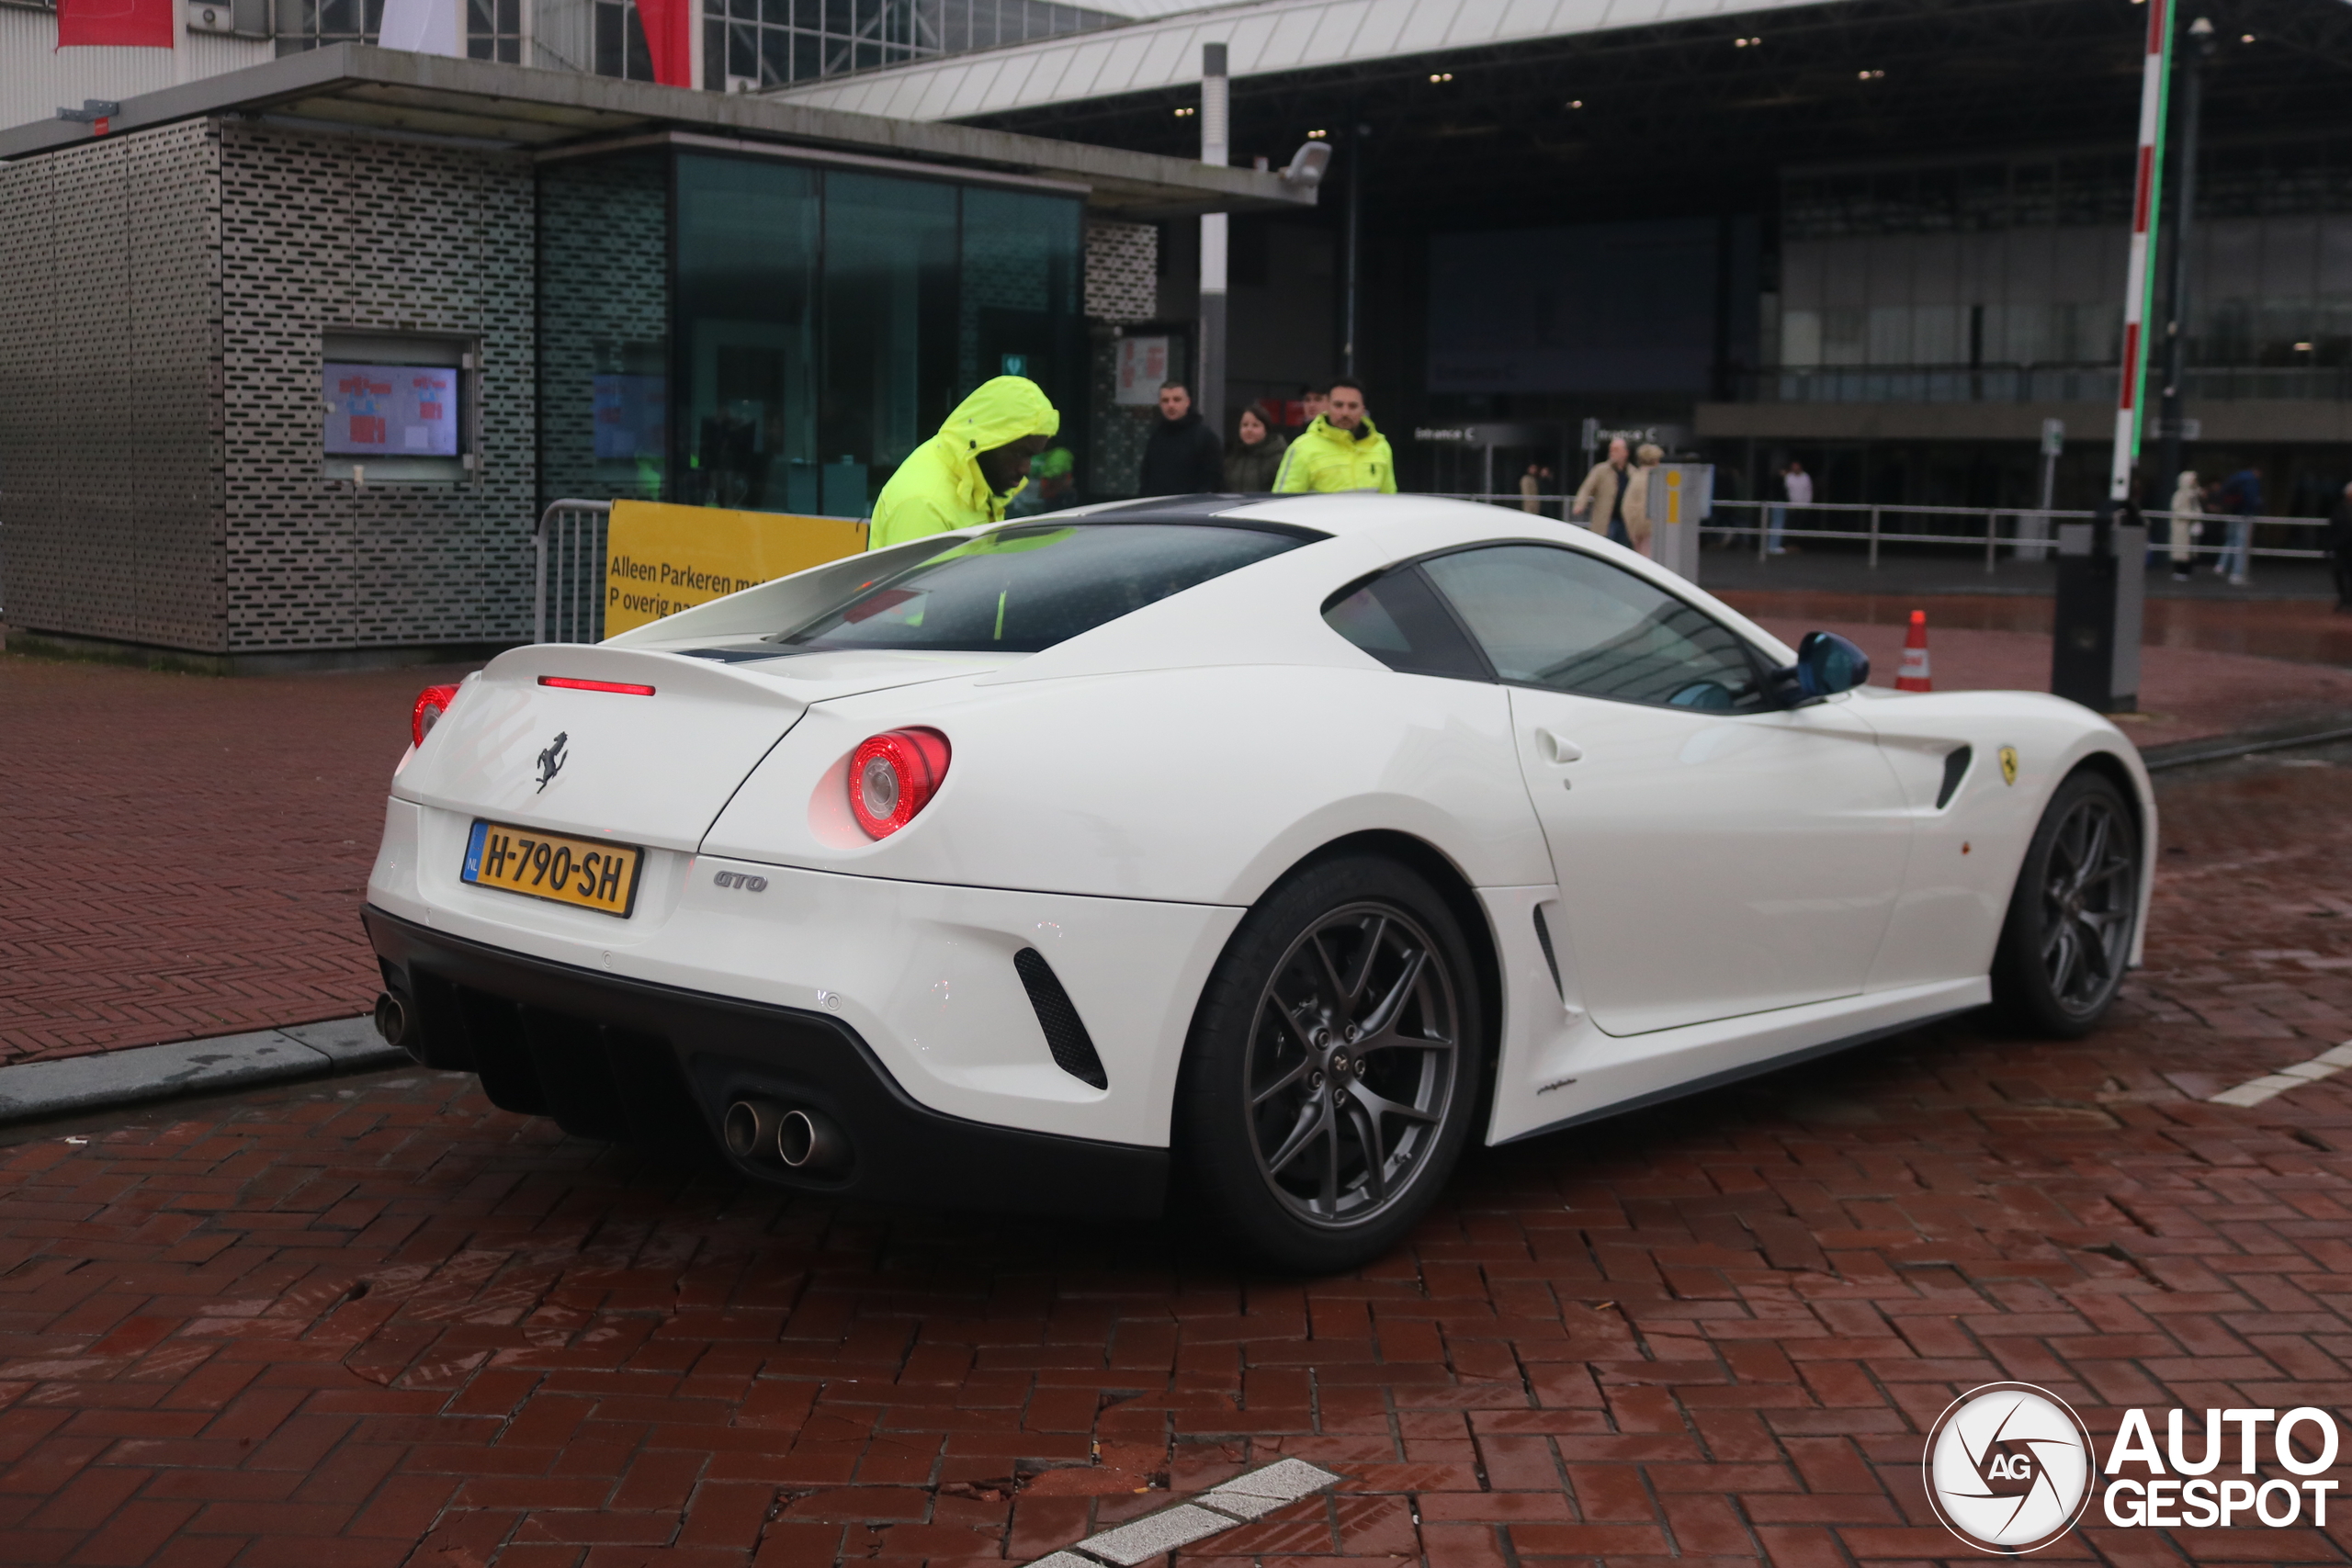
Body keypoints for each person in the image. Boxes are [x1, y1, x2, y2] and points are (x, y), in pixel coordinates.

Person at [867, 376, 1058, 550]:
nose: (1025, 469)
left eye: (1032, 456)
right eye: (1018, 453)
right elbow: (923, 588)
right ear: (985, 439)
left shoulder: (975, 484)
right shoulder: (925, 503)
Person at [1273, 378, 1397, 493]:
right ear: (1327, 407)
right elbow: (1282, 502)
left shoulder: (1380, 446)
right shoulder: (1302, 448)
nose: (1345, 412)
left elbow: (1390, 500)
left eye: (1353, 406)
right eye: (1338, 405)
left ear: (1363, 409)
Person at [1138, 380, 1223, 495]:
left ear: (1187, 402)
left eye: (1177, 400)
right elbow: (1146, 477)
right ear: (1160, 404)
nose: (1171, 405)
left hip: (1187, 510)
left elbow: (1212, 480)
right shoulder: (1156, 436)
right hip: (1156, 508)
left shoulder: (1204, 437)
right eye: (1165, 400)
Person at [1570, 437, 1635, 546]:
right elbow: (1587, 488)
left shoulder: (1632, 473)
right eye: (1611, 450)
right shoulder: (1601, 470)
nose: (1612, 453)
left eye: (1616, 450)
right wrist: (1580, 504)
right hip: (1607, 520)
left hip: (1626, 522)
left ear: (1625, 453)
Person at [1222, 402, 1287, 491]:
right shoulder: (1232, 458)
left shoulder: (1278, 459)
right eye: (1245, 425)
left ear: (1266, 429)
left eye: (1255, 425)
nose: (1249, 430)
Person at [2213, 465, 2261, 585]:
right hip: (2244, 514)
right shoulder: (2251, 480)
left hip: (2232, 511)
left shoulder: (2236, 477)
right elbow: (2251, 498)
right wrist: (2254, 509)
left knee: (2230, 540)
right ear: (2257, 472)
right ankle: (2237, 573)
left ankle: (2221, 566)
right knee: (2242, 544)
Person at [1767, 458, 1812, 555]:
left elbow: (1808, 491)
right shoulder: (1785, 478)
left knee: (1781, 524)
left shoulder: (1804, 477)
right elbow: (1786, 491)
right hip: (1784, 504)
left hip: (1794, 504)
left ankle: (1775, 545)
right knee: (1778, 524)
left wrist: (1807, 503)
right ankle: (1773, 546)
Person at [2167, 469, 2203, 582]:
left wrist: (2198, 515)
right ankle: (2180, 571)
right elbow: (2177, 509)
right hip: (2182, 526)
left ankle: (2188, 570)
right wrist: (2191, 515)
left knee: (2191, 549)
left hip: (2192, 526)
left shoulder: (2194, 494)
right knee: (2181, 549)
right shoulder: (2180, 494)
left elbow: (2197, 508)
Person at [2330, 480, 2352, 612]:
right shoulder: (2340, 508)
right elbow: (2333, 527)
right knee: (2339, 574)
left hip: (2345, 546)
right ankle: (2345, 599)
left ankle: (2347, 600)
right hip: (2342, 547)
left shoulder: (2340, 509)